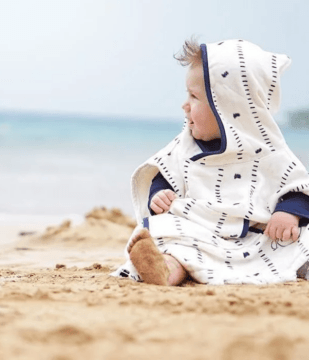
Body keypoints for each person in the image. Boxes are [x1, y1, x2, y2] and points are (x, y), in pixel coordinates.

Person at [112, 38, 309, 285]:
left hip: (255, 241)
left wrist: (288, 213)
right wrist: (159, 194)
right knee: (171, 236)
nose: (185, 106)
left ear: (228, 106)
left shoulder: (268, 153)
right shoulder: (184, 146)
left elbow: (298, 188)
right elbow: (165, 173)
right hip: (199, 235)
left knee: (301, 240)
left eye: (194, 97)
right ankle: (164, 269)